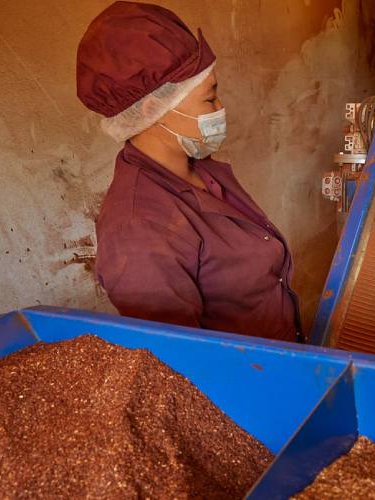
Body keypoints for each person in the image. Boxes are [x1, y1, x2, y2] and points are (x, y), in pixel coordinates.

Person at [76, 1, 301, 342]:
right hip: (245, 383)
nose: (221, 109)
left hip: (280, 359)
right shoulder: (139, 228)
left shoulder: (203, 171)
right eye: (210, 100)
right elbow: (182, 361)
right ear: (153, 109)